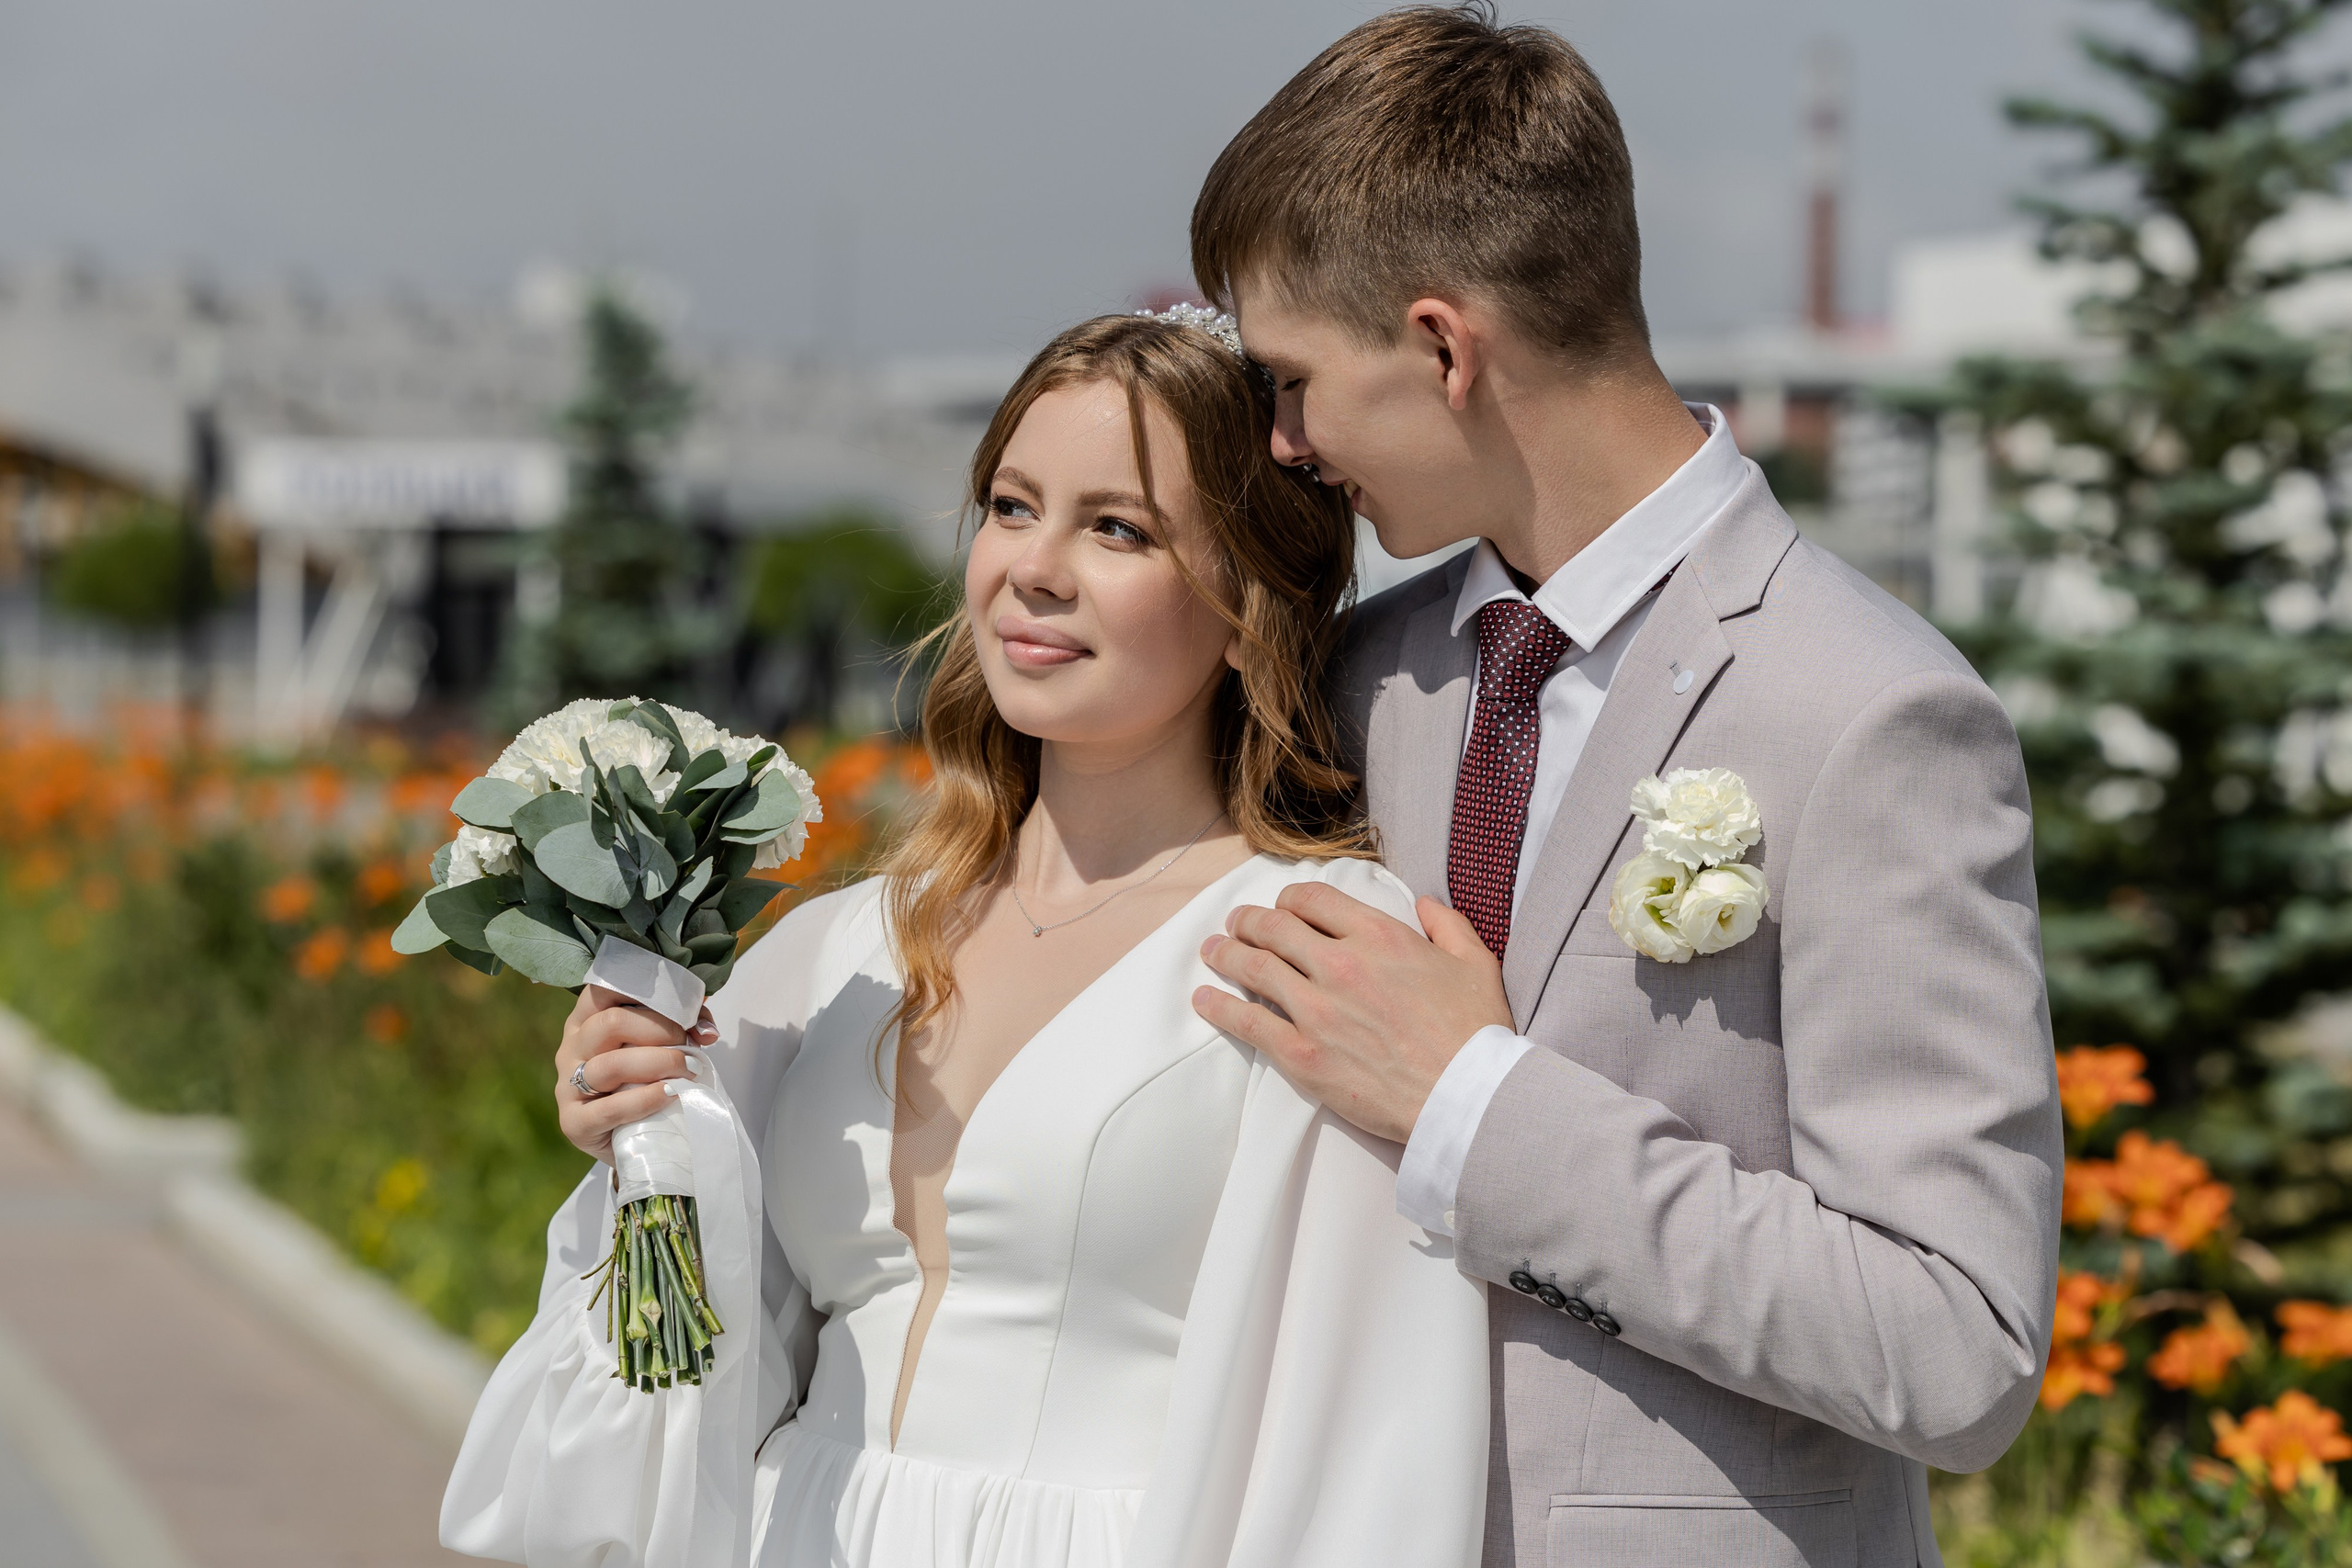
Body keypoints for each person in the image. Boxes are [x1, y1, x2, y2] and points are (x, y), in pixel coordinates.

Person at [1185, 7, 2064, 1566]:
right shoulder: (1348, 677)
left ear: (1447, 347)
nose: (1285, 444)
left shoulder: (1872, 713)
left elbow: (1958, 1344)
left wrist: (1477, 1106)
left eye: (1295, 381)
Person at [438, 310, 1491, 1568]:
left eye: (1118, 527)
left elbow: (1365, 1449)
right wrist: (641, 1141)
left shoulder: (1314, 946)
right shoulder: (825, 951)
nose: (1033, 569)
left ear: (1249, 592)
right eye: (1010, 505)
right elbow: (681, 1370)